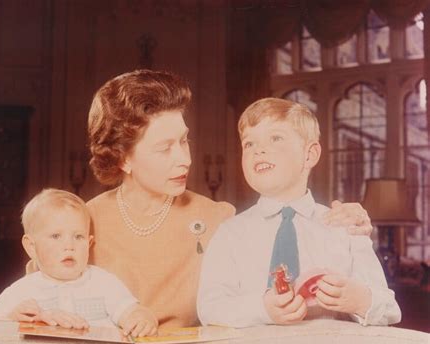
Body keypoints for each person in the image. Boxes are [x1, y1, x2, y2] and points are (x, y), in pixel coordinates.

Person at [85, 69, 374, 329]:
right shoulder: (83, 220)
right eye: (165, 149)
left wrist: (352, 223)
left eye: (185, 141)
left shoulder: (218, 218)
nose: (185, 159)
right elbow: (41, 296)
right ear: (123, 158)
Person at [197, 98, 401, 328]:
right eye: (249, 144)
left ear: (309, 155)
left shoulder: (344, 226)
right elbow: (210, 309)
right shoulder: (230, 233)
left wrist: (359, 300)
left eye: (276, 138)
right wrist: (262, 309)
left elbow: (390, 309)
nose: (259, 150)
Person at [0, 189, 158, 337]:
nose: (69, 246)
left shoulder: (103, 282)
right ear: (31, 247)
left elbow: (129, 310)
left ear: (89, 244)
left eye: (78, 237)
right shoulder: (20, 292)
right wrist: (12, 318)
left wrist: (141, 318)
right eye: (56, 236)